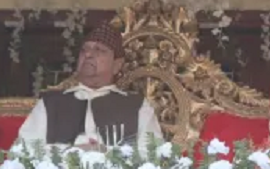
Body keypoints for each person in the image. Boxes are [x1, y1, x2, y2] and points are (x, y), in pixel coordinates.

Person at [17, 25, 163, 150]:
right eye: (84, 50)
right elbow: (24, 153)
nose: (88, 54)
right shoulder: (50, 103)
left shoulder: (136, 106)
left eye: (99, 50)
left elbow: (152, 157)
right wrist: (70, 153)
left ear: (117, 65)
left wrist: (107, 155)